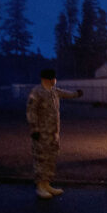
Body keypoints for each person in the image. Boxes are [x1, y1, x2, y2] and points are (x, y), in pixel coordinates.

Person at [26, 68, 83, 199]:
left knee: (51, 158)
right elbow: (31, 111)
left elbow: (66, 93)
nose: (55, 80)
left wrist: (77, 94)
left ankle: (47, 184)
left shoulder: (54, 91)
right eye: (54, 77)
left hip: (53, 134)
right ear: (49, 79)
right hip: (41, 134)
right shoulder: (36, 92)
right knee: (41, 158)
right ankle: (40, 186)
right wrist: (34, 130)